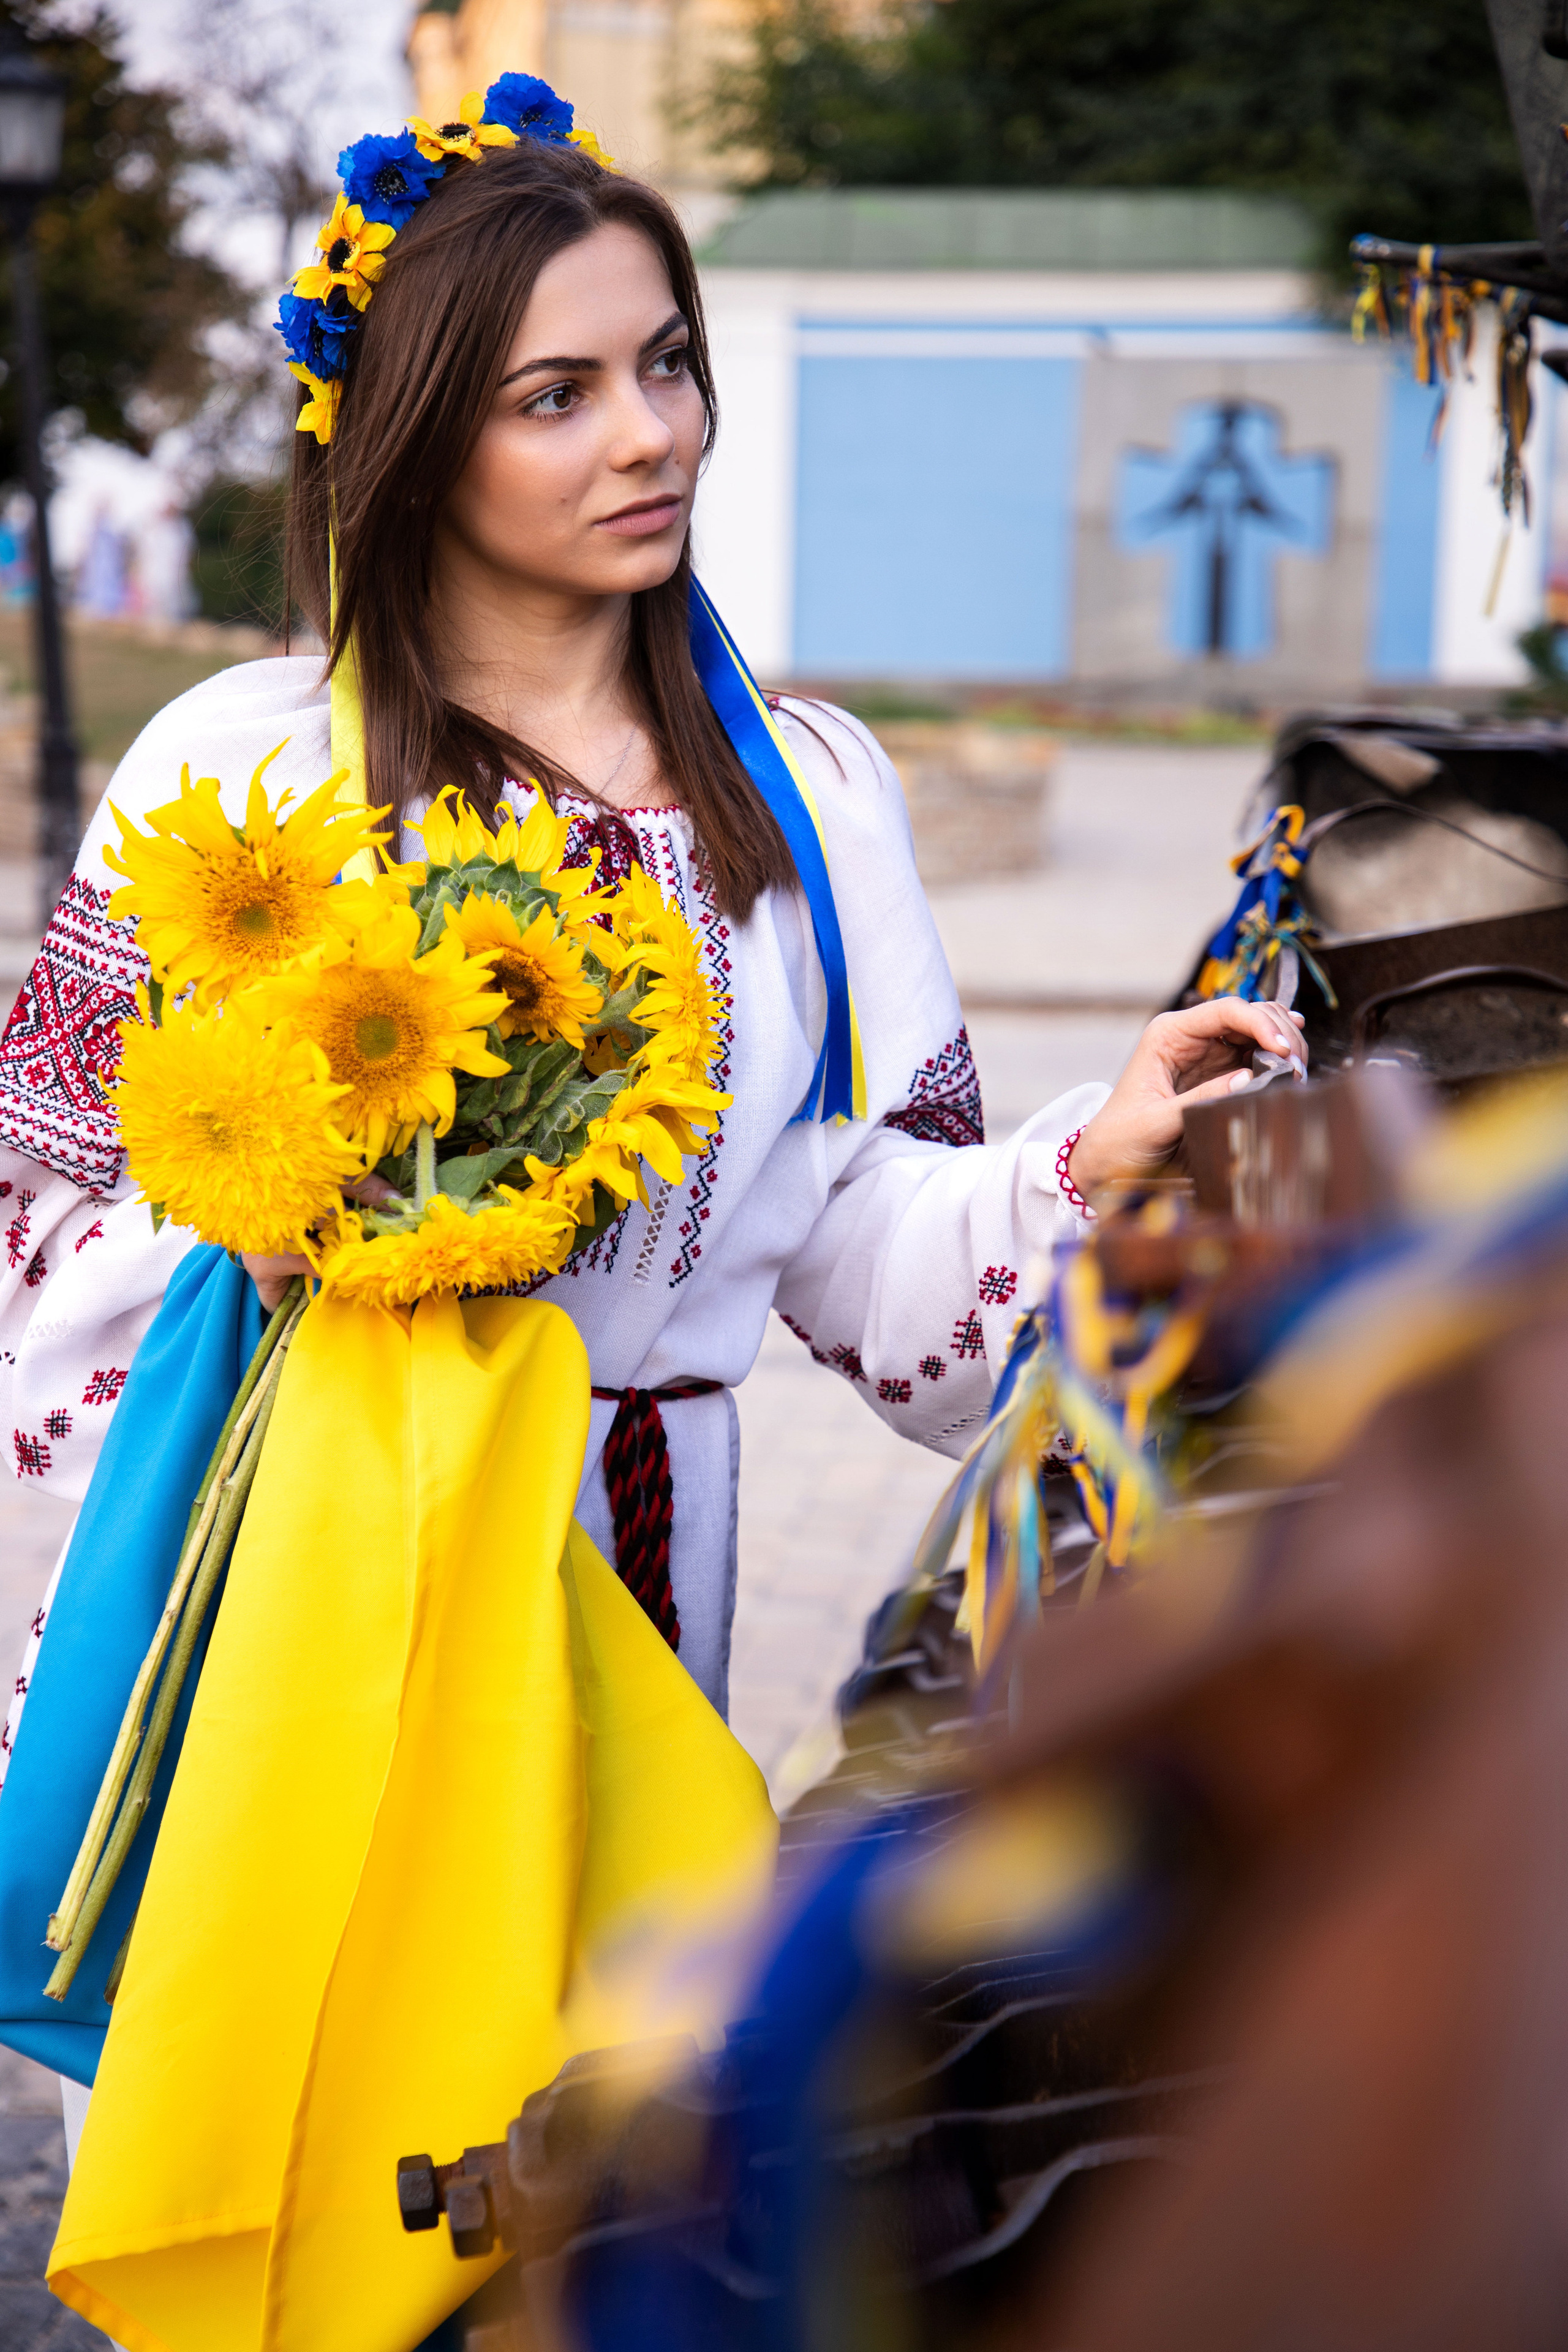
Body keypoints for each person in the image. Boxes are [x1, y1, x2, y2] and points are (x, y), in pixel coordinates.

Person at [0, 105, 1305, 1744]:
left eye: (669, 364)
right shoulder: (243, 768)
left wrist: (1084, 1164)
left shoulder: (811, 788)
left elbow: (848, 1242)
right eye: (559, 396)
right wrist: (256, 1248)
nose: (653, 436)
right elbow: (33, 1213)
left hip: (632, 1595)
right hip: (287, 1590)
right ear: (407, 437)